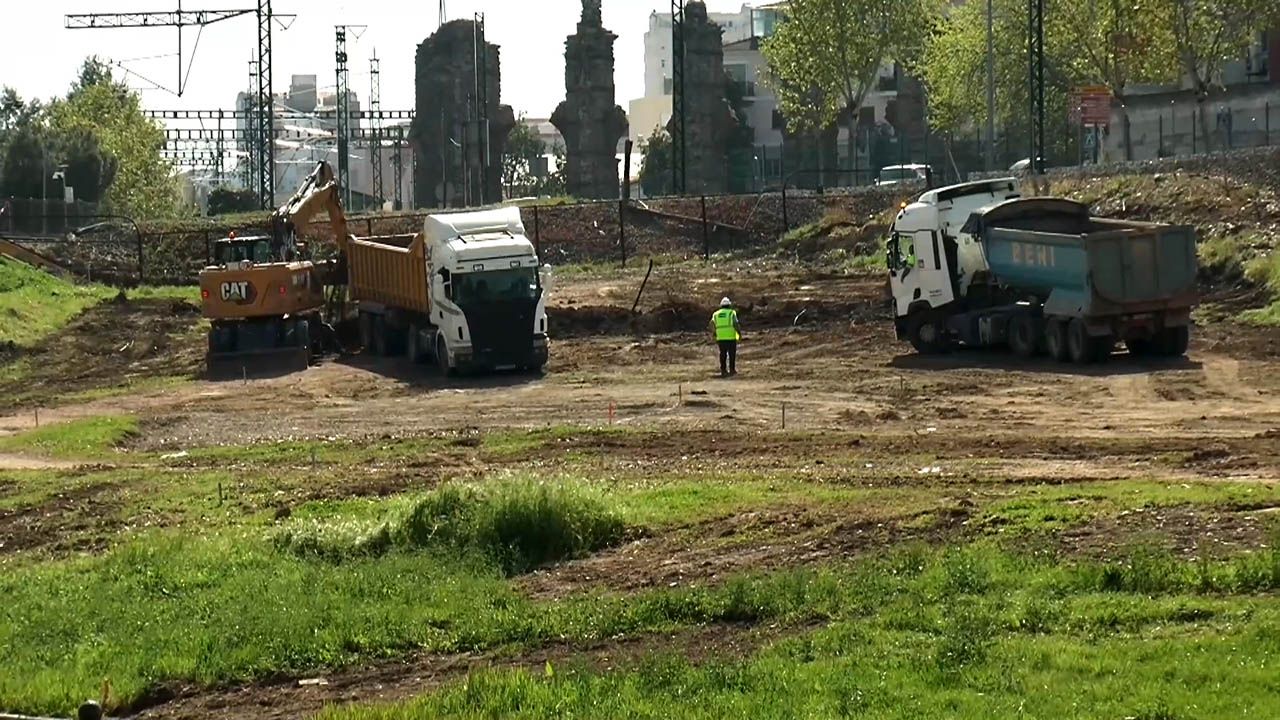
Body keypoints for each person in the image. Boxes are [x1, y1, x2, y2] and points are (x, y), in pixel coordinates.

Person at [710, 297, 741, 377]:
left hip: (720, 337)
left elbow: (711, 324)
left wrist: (714, 333)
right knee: (732, 354)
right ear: (729, 305)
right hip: (731, 337)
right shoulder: (731, 313)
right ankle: (732, 370)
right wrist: (739, 333)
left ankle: (723, 370)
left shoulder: (716, 314)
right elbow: (735, 324)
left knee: (722, 354)